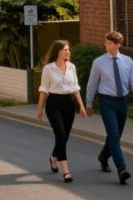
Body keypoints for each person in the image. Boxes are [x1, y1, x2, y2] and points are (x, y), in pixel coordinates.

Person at [86, 30, 133, 185]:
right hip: (106, 101)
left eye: (110, 43)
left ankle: (103, 156)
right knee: (113, 135)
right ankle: (121, 169)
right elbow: (92, 84)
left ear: (118, 45)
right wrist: (89, 103)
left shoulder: (127, 61)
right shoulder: (98, 62)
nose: (106, 45)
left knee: (115, 136)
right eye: (105, 42)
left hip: (122, 102)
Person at [37, 40, 88, 183]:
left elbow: (75, 87)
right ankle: (66, 171)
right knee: (60, 134)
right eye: (65, 49)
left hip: (69, 104)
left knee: (64, 137)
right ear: (58, 51)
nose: (68, 51)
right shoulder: (48, 69)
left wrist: (81, 106)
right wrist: (40, 108)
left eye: (68, 49)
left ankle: (54, 158)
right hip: (54, 104)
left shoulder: (72, 67)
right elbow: (43, 89)